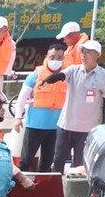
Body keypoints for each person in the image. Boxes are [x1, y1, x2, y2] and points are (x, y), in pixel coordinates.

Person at [41, 40, 105, 172]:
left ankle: (77, 189)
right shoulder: (74, 70)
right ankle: (55, 189)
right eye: (82, 52)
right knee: (58, 160)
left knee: (80, 164)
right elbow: (60, 76)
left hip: (87, 129)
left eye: (88, 52)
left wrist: (104, 124)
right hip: (66, 125)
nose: (83, 55)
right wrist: (46, 80)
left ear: (97, 54)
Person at [16, 42, 67, 172]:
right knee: (26, 160)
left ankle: (43, 188)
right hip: (35, 126)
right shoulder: (35, 75)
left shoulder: (67, 76)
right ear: (46, 57)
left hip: (55, 127)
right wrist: (17, 118)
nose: (56, 60)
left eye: (59, 57)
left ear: (64, 58)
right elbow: (22, 97)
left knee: (47, 162)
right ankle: (19, 187)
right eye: (52, 57)